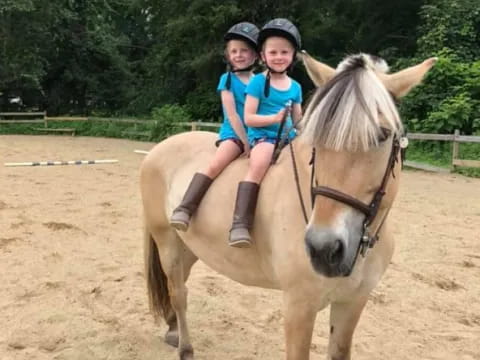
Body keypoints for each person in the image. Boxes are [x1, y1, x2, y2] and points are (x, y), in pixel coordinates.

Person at [170, 22, 259, 231]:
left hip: (259, 133)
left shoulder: (260, 81)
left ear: (255, 55)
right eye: (234, 51)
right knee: (216, 164)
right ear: (228, 55)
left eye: (244, 51)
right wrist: (245, 142)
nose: (238, 55)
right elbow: (232, 114)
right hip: (235, 134)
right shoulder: (227, 80)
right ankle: (185, 208)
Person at [228, 18, 303, 247]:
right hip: (263, 136)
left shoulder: (296, 87)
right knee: (259, 164)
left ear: (292, 56)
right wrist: (274, 118)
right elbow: (249, 117)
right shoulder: (258, 83)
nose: (279, 57)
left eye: (284, 52)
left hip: (289, 138)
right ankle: (240, 224)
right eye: (273, 52)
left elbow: (298, 121)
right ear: (263, 56)